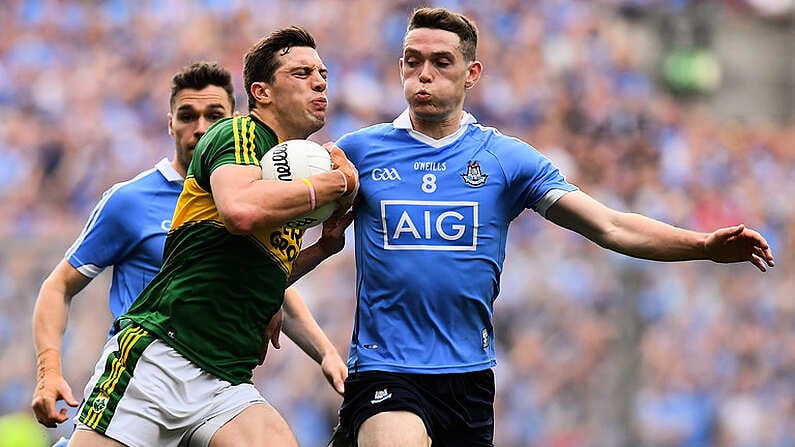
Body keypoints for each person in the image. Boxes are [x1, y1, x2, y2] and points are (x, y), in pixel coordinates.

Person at [328, 7, 775, 447]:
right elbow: (276, 224)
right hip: (384, 369)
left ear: (472, 73)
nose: (423, 73)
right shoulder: (358, 154)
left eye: (441, 61)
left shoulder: (506, 159)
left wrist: (701, 245)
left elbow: (611, 225)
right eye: (413, 60)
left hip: (467, 379)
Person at [32, 51, 351, 446]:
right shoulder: (133, 200)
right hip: (155, 363)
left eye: (214, 115)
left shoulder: (272, 188)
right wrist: (49, 370)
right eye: (187, 116)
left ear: (232, 117)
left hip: (224, 376)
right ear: (170, 123)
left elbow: (269, 279)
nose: (200, 128)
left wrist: (324, 348)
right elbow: (60, 284)